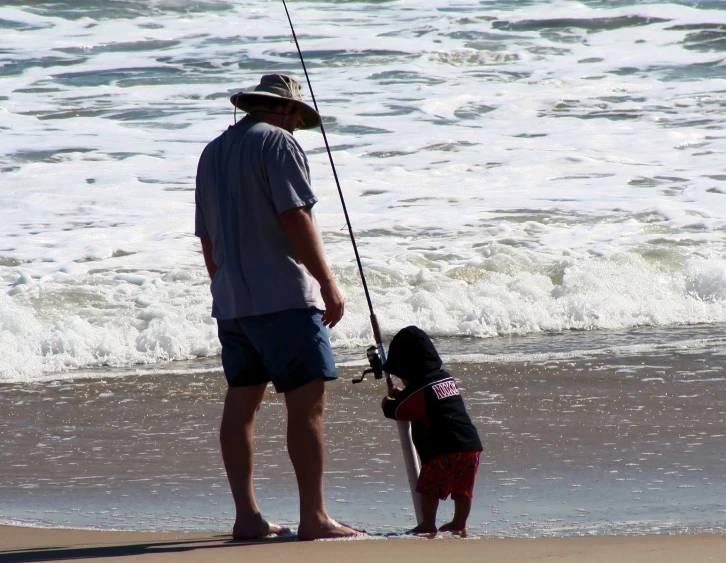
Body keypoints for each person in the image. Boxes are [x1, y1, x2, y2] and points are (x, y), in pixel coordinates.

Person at [194, 74, 360, 540]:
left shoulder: (212, 152)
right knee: (308, 405)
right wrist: (328, 283)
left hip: (232, 302)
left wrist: (224, 287)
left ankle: (247, 517)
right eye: (296, 118)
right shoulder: (279, 145)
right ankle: (315, 518)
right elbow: (294, 216)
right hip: (284, 296)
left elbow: (206, 237)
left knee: (241, 405)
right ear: (286, 110)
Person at [381, 326, 483, 535]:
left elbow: (402, 411)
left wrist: (388, 404)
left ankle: (428, 523)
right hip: (470, 446)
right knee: (463, 489)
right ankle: (459, 522)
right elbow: (428, 401)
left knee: (428, 487)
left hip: (443, 450)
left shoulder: (420, 388)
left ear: (408, 369)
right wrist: (406, 393)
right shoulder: (445, 378)